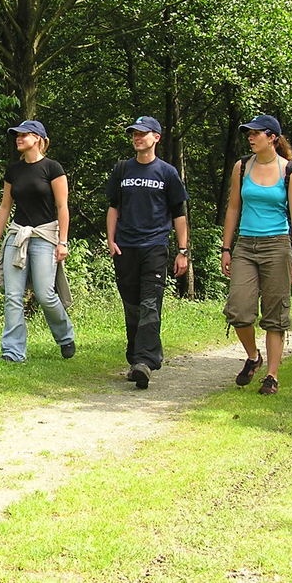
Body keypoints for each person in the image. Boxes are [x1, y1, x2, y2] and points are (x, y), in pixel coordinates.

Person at [220, 114, 292, 395]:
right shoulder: (242, 167)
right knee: (238, 309)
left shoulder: (289, 171)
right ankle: (253, 356)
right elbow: (233, 208)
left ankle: (271, 376)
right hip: (246, 245)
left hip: (277, 246)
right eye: (249, 133)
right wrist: (226, 248)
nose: (250, 137)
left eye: (256, 133)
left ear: (272, 138)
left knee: (275, 314)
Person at [105, 116, 189, 390]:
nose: (137, 137)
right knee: (132, 306)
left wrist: (183, 250)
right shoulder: (122, 169)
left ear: (156, 137)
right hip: (125, 247)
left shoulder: (167, 173)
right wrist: (111, 240)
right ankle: (136, 359)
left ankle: (145, 361)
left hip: (154, 247)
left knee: (150, 304)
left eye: (143, 133)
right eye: (134, 133)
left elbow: (179, 214)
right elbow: (113, 207)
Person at [0, 120, 76, 362]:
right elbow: (5, 207)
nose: (18, 138)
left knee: (45, 294)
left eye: (23, 135)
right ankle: (13, 351)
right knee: (13, 296)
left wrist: (63, 242)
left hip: (45, 236)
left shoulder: (52, 168)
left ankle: (65, 335)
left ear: (37, 138)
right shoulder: (13, 170)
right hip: (18, 235)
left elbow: (62, 207)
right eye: (16, 135)